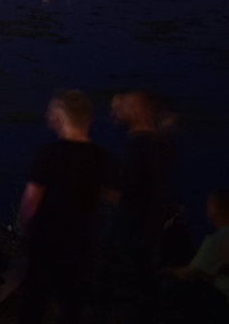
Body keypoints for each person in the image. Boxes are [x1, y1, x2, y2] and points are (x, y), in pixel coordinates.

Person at [16, 89, 113, 324]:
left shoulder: (49, 152)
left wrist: (22, 227)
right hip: (82, 240)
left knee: (35, 301)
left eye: (51, 111)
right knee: (71, 305)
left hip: (47, 240)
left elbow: (31, 197)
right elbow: (112, 196)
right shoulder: (100, 156)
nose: (47, 115)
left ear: (61, 116)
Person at [104, 89, 174, 322]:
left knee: (130, 289)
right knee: (146, 286)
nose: (115, 112)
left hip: (133, 230)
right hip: (150, 226)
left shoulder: (138, 146)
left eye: (121, 107)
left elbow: (123, 190)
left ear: (137, 110)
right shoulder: (157, 144)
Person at [162, 188, 229, 322]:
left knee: (169, 287)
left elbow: (189, 273)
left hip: (224, 302)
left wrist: (165, 270)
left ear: (215, 209)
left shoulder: (219, 239)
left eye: (208, 205)